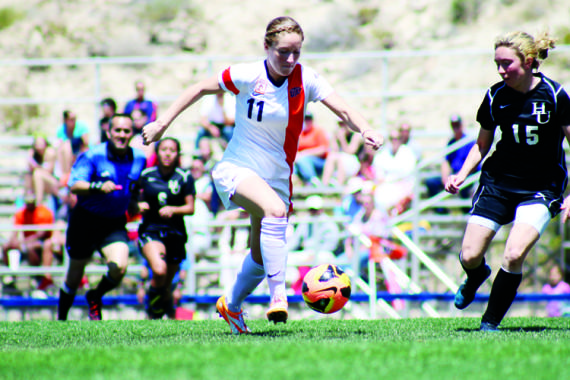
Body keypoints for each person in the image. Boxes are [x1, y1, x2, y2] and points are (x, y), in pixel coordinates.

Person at [142, 16, 383, 334]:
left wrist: (365, 127)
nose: (291, 59)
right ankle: (278, 297)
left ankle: (231, 305)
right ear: (266, 47)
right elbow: (200, 87)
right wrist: (163, 123)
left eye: (297, 52)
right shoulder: (246, 74)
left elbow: (343, 109)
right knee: (274, 211)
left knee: (259, 257)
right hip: (238, 168)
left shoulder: (306, 79)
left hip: (278, 178)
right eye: (284, 52)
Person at [445, 31, 570, 331]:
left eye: (507, 64)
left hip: (541, 188)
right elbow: (481, 145)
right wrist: (461, 175)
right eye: (496, 64)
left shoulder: (555, 95)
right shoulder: (494, 96)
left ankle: (489, 324)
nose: (501, 71)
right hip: (498, 184)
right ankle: (476, 276)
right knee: (470, 254)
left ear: (528, 62)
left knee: (514, 254)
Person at [57, 114, 147, 321]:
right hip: (85, 221)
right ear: (109, 132)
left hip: (113, 222)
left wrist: (134, 203)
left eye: (126, 131)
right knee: (74, 275)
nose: (122, 135)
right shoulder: (93, 155)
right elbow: (74, 185)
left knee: (120, 267)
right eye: (118, 130)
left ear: (131, 133)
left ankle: (95, 295)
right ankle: (61, 319)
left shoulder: (138, 158)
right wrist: (97, 187)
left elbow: (132, 187)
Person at [137, 137, 196, 319]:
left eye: (172, 150)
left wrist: (174, 209)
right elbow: (132, 201)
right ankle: (152, 310)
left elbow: (190, 208)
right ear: (157, 152)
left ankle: (163, 311)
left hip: (175, 233)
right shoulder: (146, 175)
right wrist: (137, 206)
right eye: (164, 149)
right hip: (151, 230)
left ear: (178, 154)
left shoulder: (184, 177)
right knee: (159, 270)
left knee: (167, 283)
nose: (168, 153)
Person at [2, 192, 56, 291]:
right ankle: (11, 277)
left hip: (40, 242)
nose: (30, 204)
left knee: (30, 247)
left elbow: (41, 234)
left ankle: (37, 277)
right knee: (6, 247)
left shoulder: (44, 212)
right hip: (26, 241)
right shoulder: (21, 213)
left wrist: (23, 242)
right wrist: (12, 242)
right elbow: (15, 232)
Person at [425, 114, 478, 210]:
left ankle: (466, 211)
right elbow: (446, 161)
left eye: (457, 125)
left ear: (461, 125)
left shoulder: (469, 142)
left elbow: (474, 162)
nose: (455, 128)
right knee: (431, 182)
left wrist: (461, 175)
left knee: (465, 186)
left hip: (466, 175)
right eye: (453, 125)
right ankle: (441, 211)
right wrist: (445, 178)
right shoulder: (451, 142)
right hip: (454, 175)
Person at [372, 129, 417, 215]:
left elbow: (407, 175)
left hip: (404, 186)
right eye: (392, 138)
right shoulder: (383, 154)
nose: (394, 141)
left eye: (397, 138)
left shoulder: (408, 153)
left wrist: (389, 177)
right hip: (386, 186)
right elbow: (379, 175)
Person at [321, 118, 364, 186]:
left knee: (339, 159)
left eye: (344, 124)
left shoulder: (355, 135)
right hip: (340, 160)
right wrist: (334, 139)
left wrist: (342, 139)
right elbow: (334, 151)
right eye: (340, 124)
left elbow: (350, 151)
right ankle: (324, 185)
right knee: (331, 157)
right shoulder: (336, 134)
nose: (342, 126)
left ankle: (339, 185)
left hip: (353, 162)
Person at [294, 112, 330, 187]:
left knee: (302, 159)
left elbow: (323, 149)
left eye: (309, 119)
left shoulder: (318, 131)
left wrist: (304, 153)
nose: (307, 122)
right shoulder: (299, 133)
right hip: (300, 161)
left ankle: (313, 181)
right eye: (305, 119)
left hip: (319, 162)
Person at [55, 110, 90, 176]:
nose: (73, 121)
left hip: (80, 150)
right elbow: (60, 145)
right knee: (65, 146)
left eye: (74, 119)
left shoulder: (81, 127)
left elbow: (86, 143)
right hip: (68, 153)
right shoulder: (61, 130)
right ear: (65, 120)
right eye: (71, 119)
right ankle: (65, 174)